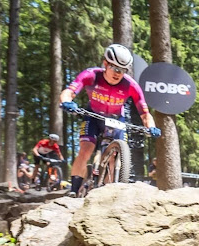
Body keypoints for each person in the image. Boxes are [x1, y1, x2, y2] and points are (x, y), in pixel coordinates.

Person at [59, 44, 159, 195]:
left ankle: (108, 192)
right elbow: (69, 92)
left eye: (123, 70)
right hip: (93, 115)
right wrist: (67, 102)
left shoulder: (131, 85)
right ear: (105, 63)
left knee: (114, 157)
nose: (118, 73)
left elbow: (145, 114)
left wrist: (151, 127)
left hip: (117, 118)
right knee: (86, 149)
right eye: (115, 68)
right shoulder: (91, 75)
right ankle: (73, 190)